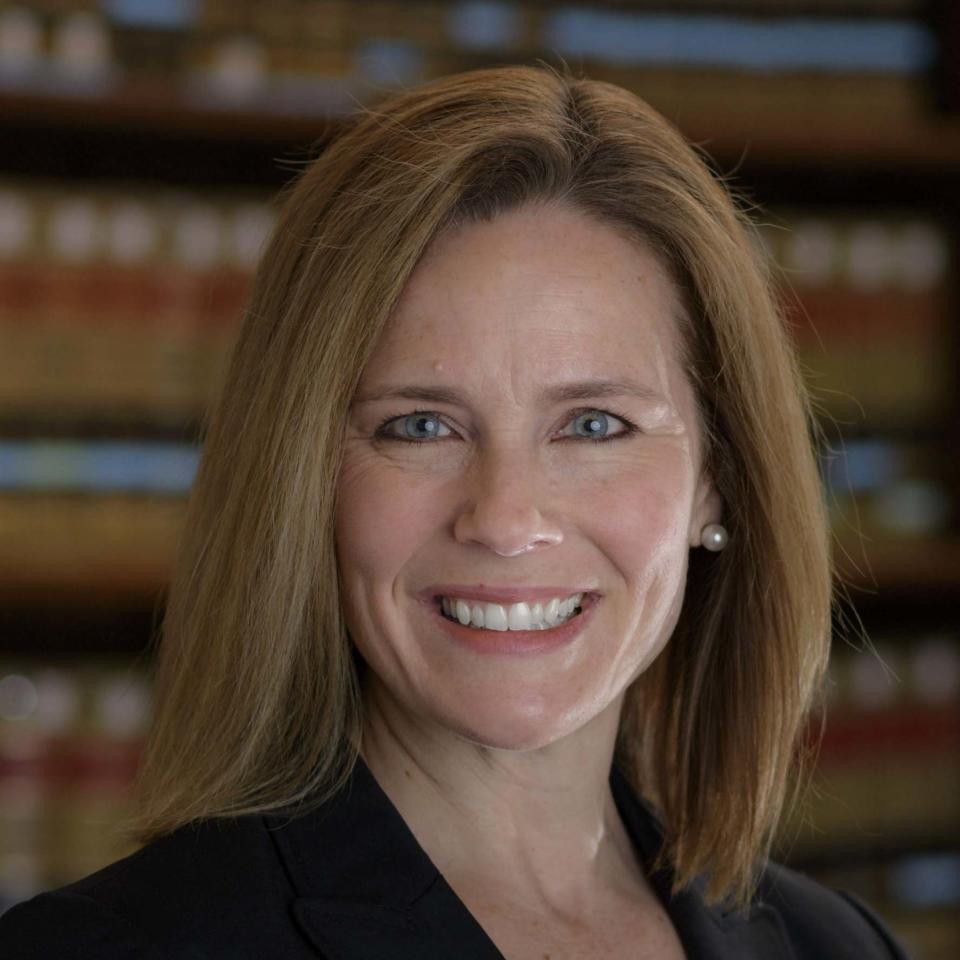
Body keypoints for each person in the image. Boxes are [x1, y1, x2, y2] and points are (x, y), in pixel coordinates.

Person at [0, 63, 911, 959]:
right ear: (303, 480)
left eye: (594, 424)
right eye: (419, 425)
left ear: (717, 477)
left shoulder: (840, 947)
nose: (506, 518)